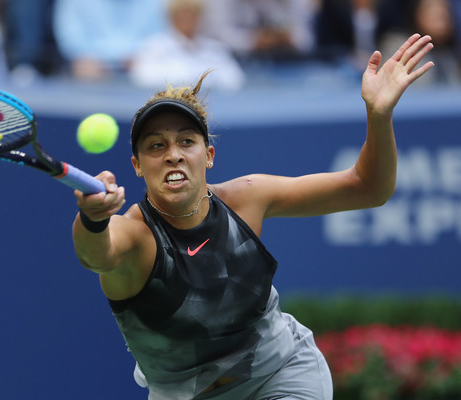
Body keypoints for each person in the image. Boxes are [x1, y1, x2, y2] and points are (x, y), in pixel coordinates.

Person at [72, 34, 434, 399]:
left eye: (186, 141)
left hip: (283, 372)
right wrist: (92, 218)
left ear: (209, 155)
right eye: (156, 146)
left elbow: (368, 188)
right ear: (137, 166)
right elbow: (95, 254)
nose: (173, 155)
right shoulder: (136, 236)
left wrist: (378, 114)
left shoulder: (246, 198)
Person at [129, 0, 246, 91]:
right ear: (172, 17)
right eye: (182, 15)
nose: (187, 20)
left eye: (192, 15)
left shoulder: (214, 48)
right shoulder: (154, 47)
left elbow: (234, 79)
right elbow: (142, 76)